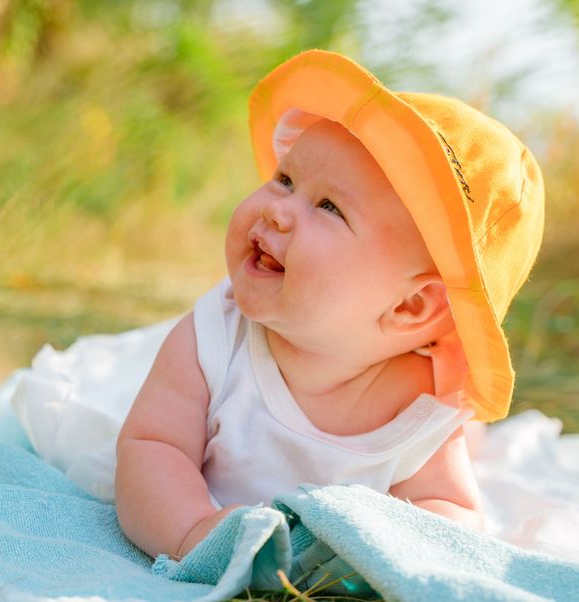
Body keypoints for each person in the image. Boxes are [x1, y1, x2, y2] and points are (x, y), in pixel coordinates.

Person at [114, 50, 545, 561]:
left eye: (328, 207)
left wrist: (388, 557)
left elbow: (448, 509)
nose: (276, 211)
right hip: (209, 518)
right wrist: (194, 532)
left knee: (465, 443)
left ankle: (476, 439)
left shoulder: (422, 407)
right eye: (286, 180)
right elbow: (150, 449)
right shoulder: (213, 337)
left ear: (409, 307)